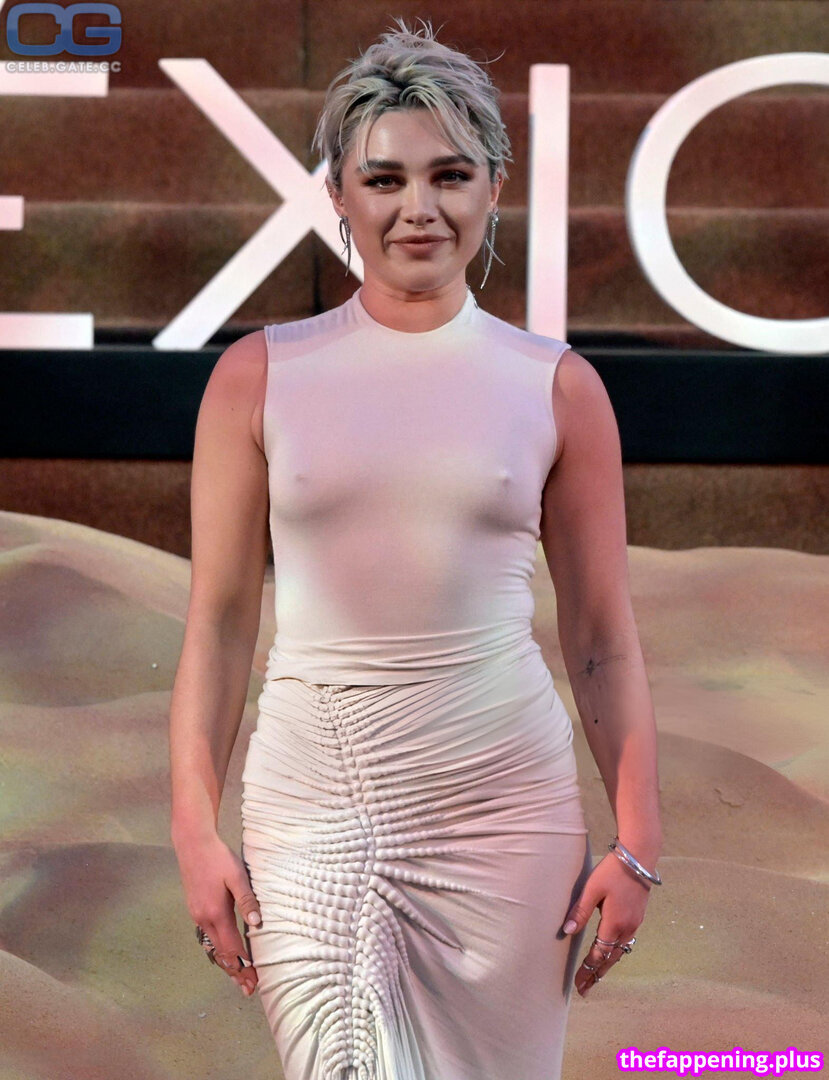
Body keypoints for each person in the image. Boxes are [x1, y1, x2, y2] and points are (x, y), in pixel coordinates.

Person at [169, 16, 663, 1080]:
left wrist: (636, 840)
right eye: (384, 179)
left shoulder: (558, 388)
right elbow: (217, 625)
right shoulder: (255, 378)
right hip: (312, 807)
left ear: (494, 188)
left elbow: (601, 638)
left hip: (507, 812)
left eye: (450, 175)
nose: (418, 208)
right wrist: (193, 831)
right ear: (338, 196)